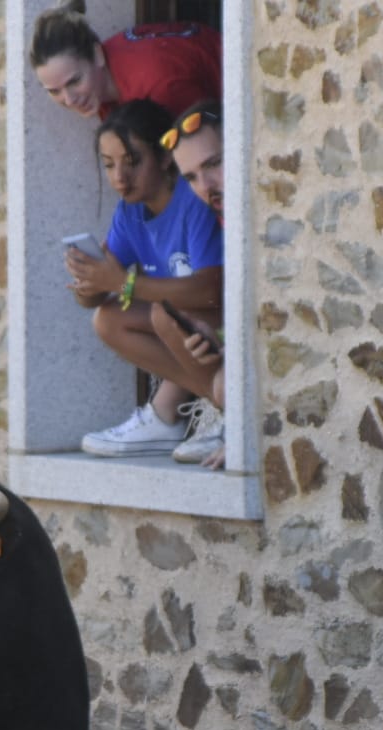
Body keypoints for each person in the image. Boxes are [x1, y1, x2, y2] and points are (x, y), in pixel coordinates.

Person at [64, 100, 223, 458]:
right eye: (109, 165)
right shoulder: (130, 210)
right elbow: (100, 290)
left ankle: (222, 411)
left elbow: (212, 290)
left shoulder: (191, 198)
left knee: (161, 314)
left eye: (132, 161)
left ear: (165, 158)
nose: (120, 176)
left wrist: (122, 283)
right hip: (185, 323)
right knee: (107, 319)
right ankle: (177, 416)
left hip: (221, 320)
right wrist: (88, 284)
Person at [155, 101, 228, 468]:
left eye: (214, 164)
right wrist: (218, 344)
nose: (206, 187)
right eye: (191, 177)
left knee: (226, 385)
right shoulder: (224, 216)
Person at [30, 1, 221, 122]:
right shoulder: (100, 84)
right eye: (54, 91)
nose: (69, 99)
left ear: (97, 55)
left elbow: (208, 148)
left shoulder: (155, 86)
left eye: (74, 81)